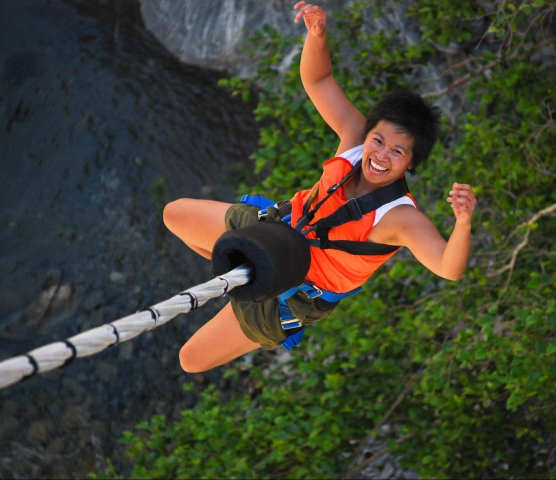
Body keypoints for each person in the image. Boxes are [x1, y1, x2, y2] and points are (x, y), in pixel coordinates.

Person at [163, 1, 477, 373]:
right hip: (274, 230)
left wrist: (463, 223)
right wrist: (317, 35)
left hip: (294, 289)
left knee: (190, 360)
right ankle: (239, 278)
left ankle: (251, 292)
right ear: (369, 132)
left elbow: (448, 268)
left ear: (411, 163)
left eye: (397, 152)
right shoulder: (355, 142)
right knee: (174, 214)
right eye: (378, 141)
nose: (380, 156)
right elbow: (318, 80)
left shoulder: (400, 219)